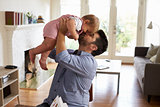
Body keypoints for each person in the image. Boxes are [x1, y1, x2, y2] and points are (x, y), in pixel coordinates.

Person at [36, 18, 108, 107]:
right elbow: (49, 50)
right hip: (51, 103)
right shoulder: (72, 53)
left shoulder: (90, 63)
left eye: (91, 35)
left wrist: (61, 32)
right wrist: (54, 33)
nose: (86, 32)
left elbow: (62, 57)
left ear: (93, 47)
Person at [29, 14, 99, 70]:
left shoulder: (79, 27)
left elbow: (69, 34)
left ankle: (43, 60)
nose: (85, 32)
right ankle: (33, 52)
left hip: (55, 28)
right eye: (87, 30)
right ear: (86, 22)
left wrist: (72, 34)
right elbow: (71, 23)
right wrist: (75, 34)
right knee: (48, 45)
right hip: (53, 27)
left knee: (50, 46)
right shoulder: (79, 21)